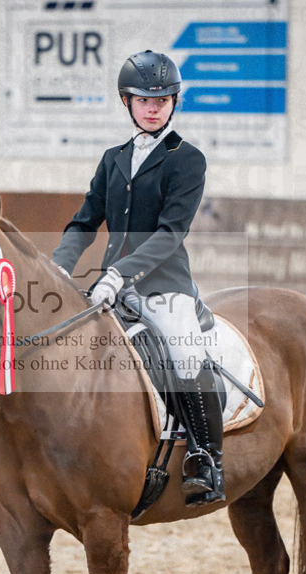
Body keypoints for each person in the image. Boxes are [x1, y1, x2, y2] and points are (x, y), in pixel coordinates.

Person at [52, 50, 225, 505]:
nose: (155, 107)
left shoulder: (187, 159)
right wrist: (58, 268)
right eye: (145, 100)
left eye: (164, 100)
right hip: (110, 285)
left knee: (185, 354)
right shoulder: (114, 159)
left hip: (164, 286)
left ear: (174, 103)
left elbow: (171, 233)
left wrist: (117, 274)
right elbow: (84, 221)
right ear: (126, 101)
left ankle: (207, 458)